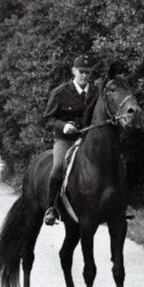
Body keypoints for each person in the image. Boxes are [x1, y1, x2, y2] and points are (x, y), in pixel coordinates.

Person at [41, 54, 98, 225]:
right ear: (74, 71)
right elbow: (49, 118)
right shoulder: (60, 93)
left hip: (88, 139)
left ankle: (114, 206)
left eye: (88, 73)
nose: (85, 76)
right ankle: (51, 208)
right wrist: (63, 126)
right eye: (81, 72)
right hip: (65, 139)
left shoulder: (96, 93)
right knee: (58, 166)